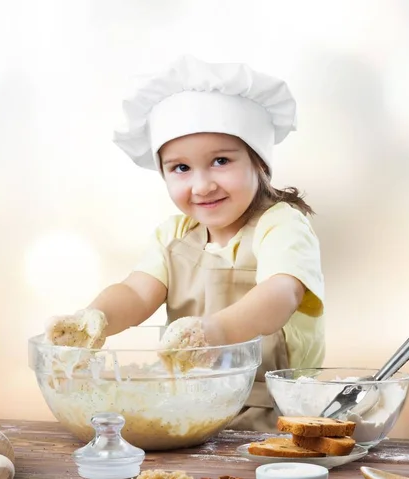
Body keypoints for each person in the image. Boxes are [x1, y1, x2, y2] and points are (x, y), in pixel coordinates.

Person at [44, 55, 325, 432]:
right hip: (191, 407)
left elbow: (281, 294)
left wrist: (216, 334)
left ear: (259, 162)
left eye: (221, 160)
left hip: (274, 413)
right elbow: (136, 292)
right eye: (181, 168)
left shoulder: (282, 224)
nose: (202, 185)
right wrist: (95, 318)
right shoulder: (173, 235)